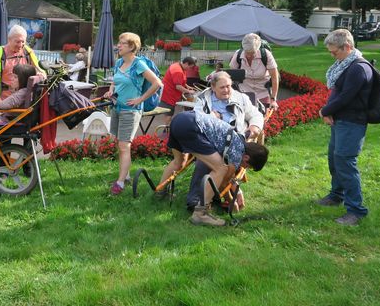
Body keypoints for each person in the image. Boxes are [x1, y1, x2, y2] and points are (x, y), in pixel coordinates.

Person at [178, 71, 264, 210]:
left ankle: (218, 195)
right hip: (211, 140)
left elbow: (255, 114)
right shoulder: (203, 99)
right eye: (222, 87)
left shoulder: (241, 98)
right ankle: (195, 199)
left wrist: (254, 126)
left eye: (229, 86)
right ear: (213, 87)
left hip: (235, 141)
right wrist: (212, 117)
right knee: (203, 162)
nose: (226, 90)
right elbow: (198, 119)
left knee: (226, 164)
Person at [166, 110, 269, 226]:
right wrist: (231, 200)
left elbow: (227, 181)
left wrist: (235, 190)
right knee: (220, 169)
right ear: (246, 157)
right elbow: (223, 183)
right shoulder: (237, 153)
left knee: (178, 162)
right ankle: (200, 214)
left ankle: (159, 193)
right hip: (191, 126)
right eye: (247, 166)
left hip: (181, 118)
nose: (244, 168)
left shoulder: (239, 140)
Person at [317, 29, 373, 226]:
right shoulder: (344, 65)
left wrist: (324, 111)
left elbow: (346, 96)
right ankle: (336, 195)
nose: (333, 56)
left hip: (352, 123)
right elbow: (338, 93)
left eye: (335, 52)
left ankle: (356, 210)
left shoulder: (358, 68)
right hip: (341, 121)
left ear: (347, 47)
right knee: (335, 159)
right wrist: (331, 111)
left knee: (345, 163)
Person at [104, 32, 163, 195]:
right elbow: (114, 82)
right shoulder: (119, 62)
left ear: (131, 47)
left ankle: (121, 183)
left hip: (131, 111)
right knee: (120, 144)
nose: (118, 45)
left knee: (124, 145)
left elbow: (157, 83)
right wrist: (111, 92)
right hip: (117, 108)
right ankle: (126, 176)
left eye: (122, 43)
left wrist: (140, 99)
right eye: (119, 42)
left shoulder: (138, 64)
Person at [0, 25, 44, 103]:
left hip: (25, 99)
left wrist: (40, 74)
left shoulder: (28, 52)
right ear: (9, 40)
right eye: (17, 41)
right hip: (6, 99)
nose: (20, 45)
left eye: (23, 41)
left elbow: (38, 71)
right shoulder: (0, 54)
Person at [229, 33, 279, 109]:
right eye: (246, 52)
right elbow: (230, 77)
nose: (249, 56)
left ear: (257, 49)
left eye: (252, 53)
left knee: (263, 118)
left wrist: (273, 99)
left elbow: (275, 78)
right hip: (244, 93)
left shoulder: (266, 55)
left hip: (263, 93)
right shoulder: (238, 55)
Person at [158, 56, 197, 125]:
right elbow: (178, 86)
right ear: (186, 64)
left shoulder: (178, 65)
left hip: (170, 93)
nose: (189, 69)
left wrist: (187, 86)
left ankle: (167, 128)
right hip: (168, 94)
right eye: (190, 67)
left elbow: (180, 81)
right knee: (169, 113)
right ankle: (166, 129)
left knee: (170, 112)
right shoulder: (178, 71)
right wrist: (189, 91)